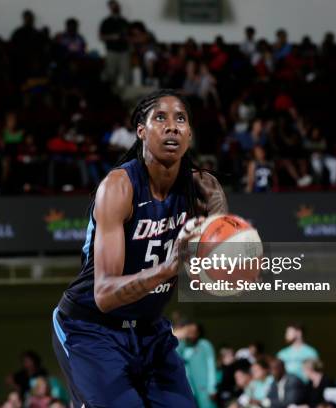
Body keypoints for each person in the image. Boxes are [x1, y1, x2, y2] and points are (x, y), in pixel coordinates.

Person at [51, 89, 228, 407]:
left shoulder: (205, 188)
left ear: (189, 134)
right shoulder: (119, 187)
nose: (172, 126)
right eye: (160, 117)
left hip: (149, 331)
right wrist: (169, 268)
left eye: (181, 119)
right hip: (91, 329)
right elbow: (104, 295)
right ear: (141, 131)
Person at [176, 321, 218, 408]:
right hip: (189, 387)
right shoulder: (183, 345)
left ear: (198, 332)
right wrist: (180, 339)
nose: (190, 334)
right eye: (189, 331)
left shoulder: (205, 345)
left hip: (204, 387)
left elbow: (211, 366)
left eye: (193, 331)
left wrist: (212, 388)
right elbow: (176, 356)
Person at [99, 0, 130, 87]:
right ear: (110, 8)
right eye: (113, 6)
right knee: (111, 74)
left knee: (126, 74)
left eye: (116, 6)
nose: (115, 7)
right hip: (112, 51)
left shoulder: (124, 21)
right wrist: (113, 37)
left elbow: (129, 35)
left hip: (124, 51)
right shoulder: (106, 22)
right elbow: (101, 37)